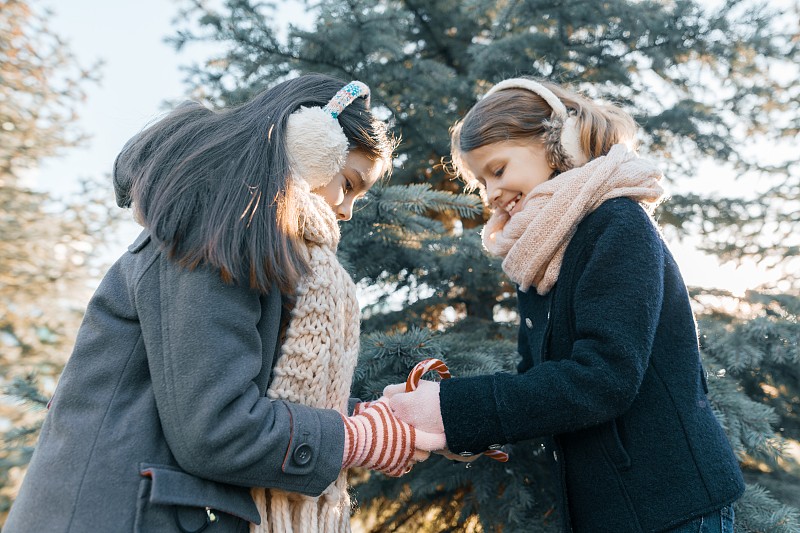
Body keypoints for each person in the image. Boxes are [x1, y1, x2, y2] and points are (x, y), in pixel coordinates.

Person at [4, 74, 444, 533]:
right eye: (349, 184)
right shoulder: (214, 232)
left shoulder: (241, 235)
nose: (347, 209)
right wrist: (355, 438)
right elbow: (216, 428)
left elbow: (250, 388)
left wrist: (370, 417)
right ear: (310, 144)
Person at [384, 77, 745, 533]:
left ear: (558, 145)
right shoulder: (540, 255)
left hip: (670, 507)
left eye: (497, 170)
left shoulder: (617, 223)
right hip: (611, 510)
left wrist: (453, 410)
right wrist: (459, 426)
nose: (490, 193)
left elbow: (604, 377)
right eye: (480, 182)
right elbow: (539, 386)